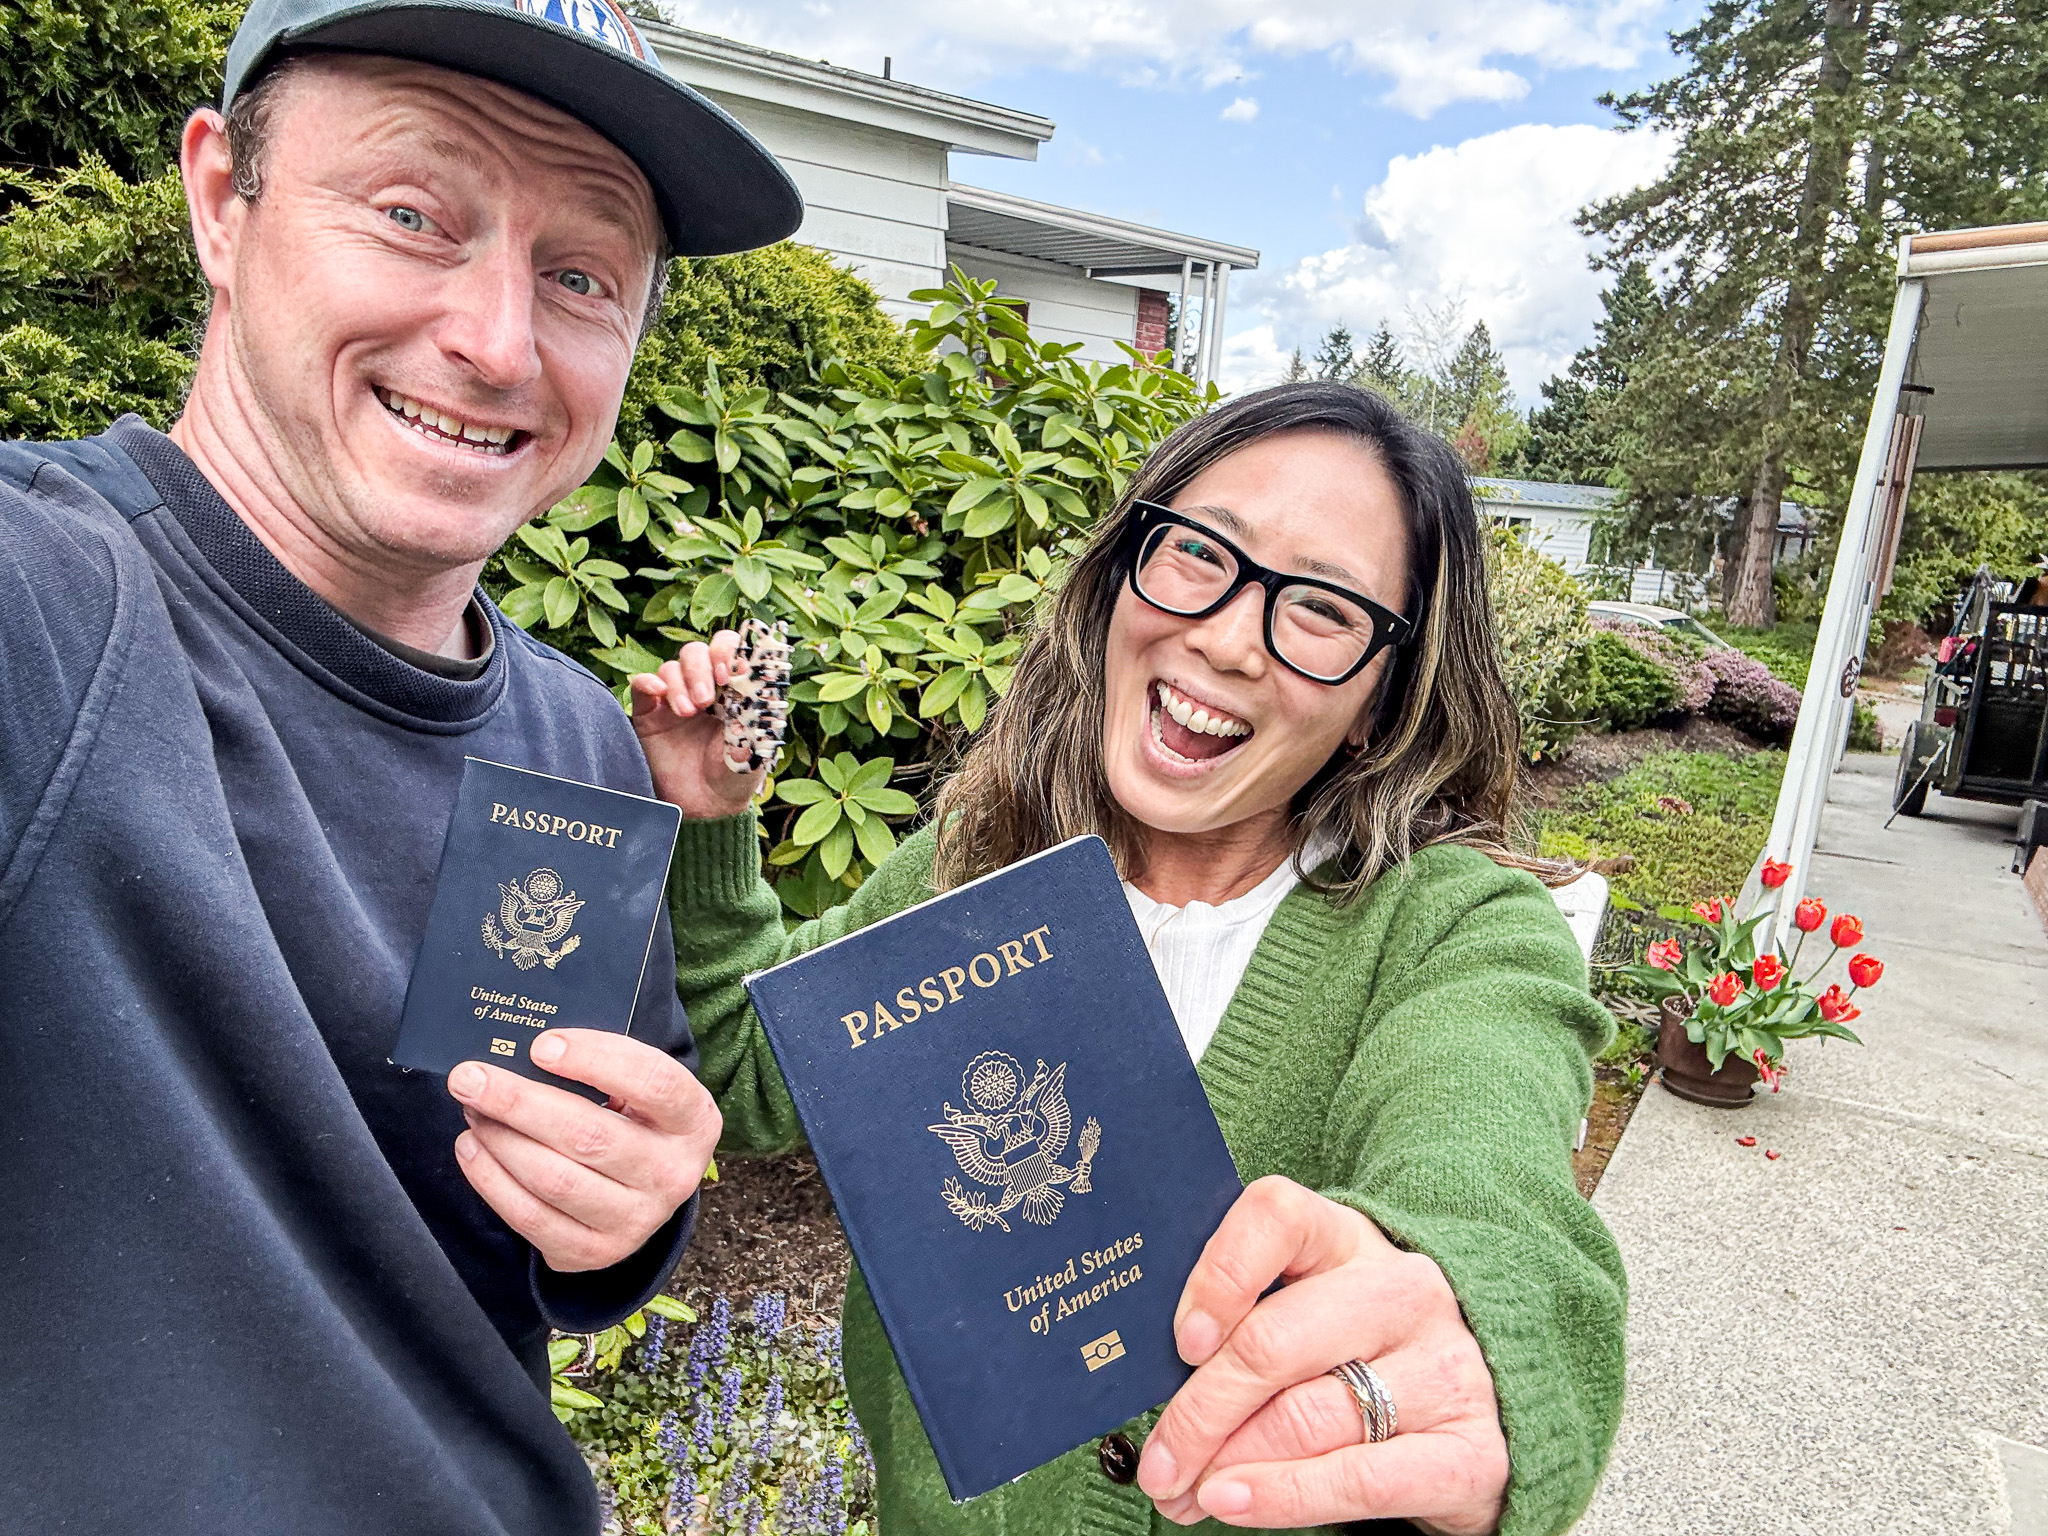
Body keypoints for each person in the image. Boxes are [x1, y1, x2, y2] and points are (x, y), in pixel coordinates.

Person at [0, 0, 800, 1530]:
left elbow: (535, 1229)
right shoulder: (48, 602)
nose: (497, 343)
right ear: (218, 203)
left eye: (579, 274)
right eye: (412, 212)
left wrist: (622, 1218)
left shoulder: (573, 737)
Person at [636, 381, 1628, 1536]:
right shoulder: (972, 864)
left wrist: (1468, 1307)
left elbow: (1490, 1175)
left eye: (1320, 612)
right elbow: (757, 1074)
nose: (1224, 637)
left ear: (1375, 702)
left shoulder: (1454, 932)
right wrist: (709, 824)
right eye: (1201, 554)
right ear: (1121, 578)